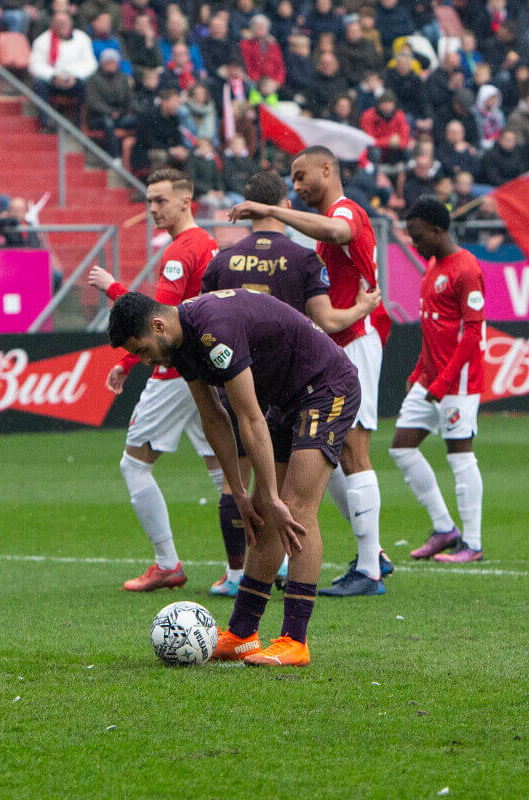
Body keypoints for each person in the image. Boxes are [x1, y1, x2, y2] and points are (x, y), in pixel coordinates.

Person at [107, 287, 360, 667]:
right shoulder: (181, 345)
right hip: (287, 398)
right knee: (260, 510)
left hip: (326, 388)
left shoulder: (214, 329)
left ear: (158, 325)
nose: (143, 361)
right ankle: (242, 634)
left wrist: (272, 496)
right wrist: (240, 490)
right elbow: (213, 419)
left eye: (141, 349)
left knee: (293, 507)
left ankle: (295, 639)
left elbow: (249, 417)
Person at [200, 170, 385, 596]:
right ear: (284, 202)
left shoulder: (222, 260)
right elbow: (326, 319)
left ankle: (240, 574)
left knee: (242, 481)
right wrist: (363, 307)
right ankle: (363, 559)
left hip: (240, 376)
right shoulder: (302, 258)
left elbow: (203, 314)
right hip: (294, 376)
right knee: (325, 469)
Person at [86, 169, 221, 591]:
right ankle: (259, 566)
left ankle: (167, 563)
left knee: (134, 464)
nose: (153, 209)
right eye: (149, 201)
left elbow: (156, 320)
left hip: (175, 370)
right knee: (223, 468)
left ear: (186, 200)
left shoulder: (182, 250)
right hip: (204, 365)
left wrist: (114, 291)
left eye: (161, 200)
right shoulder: (208, 243)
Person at [391, 198, 487, 563]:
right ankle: (445, 528)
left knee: (460, 455)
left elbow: (473, 333)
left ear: (437, 230)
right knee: (401, 447)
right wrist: (419, 371)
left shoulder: (466, 268)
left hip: (457, 383)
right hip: (431, 379)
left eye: (417, 236)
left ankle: (473, 545)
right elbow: (434, 328)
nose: (414, 244)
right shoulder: (433, 268)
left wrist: (444, 380)